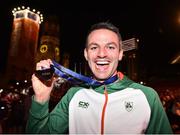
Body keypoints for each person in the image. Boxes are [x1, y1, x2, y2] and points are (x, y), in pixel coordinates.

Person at [26, 22, 173, 134]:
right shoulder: (73, 95)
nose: (101, 54)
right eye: (94, 47)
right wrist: (41, 99)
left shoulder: (147, 96)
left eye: (110, 47)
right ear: (86, 54)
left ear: (120, 54)